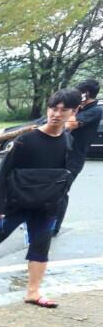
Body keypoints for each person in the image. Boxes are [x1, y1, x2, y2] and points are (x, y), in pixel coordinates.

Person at [0, 88, 82, 307]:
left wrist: (59, 202)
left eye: (64, 110)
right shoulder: (26, 139)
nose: (57, 114)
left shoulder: (67, 141)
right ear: (48, 108)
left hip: (46, 205)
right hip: (16, 203)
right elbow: (2, 174)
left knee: (41, 245)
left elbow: (62, 176)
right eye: (53, 108)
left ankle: (32, 292)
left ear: (75, 111)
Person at [53, 79, 101, 235]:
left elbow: (70, 124)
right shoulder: (77, 108)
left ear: (85, 94)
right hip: (59, 152)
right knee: (48, 188)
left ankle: (54, 226)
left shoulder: (95, 110)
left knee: (61, 191)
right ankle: (41, 221)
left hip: (74, 158)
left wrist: (76, 107)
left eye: (78, 93)